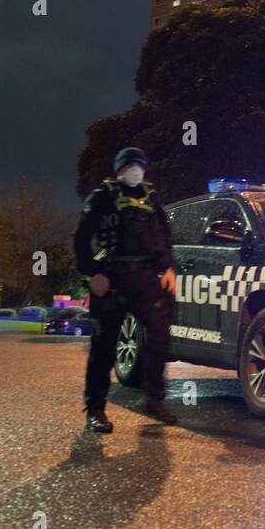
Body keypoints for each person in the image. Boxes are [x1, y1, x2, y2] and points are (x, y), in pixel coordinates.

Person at [74, 146, 178, 431]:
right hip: (112, 277)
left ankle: (154, 400)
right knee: (104, 345)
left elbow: (163, 237)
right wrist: (93, 273)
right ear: (119, 170)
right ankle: (95, 408)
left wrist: (167, 267)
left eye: (139, 166)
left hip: (146, 278)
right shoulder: (102, 197)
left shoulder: (151, 198)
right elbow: (82, 238)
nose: (135, 171)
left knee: (159, 337)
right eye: (129, 166)